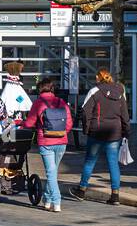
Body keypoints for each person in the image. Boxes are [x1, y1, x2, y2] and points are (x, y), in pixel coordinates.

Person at [70, 70, 129, 205]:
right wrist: (126, 132)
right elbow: (125, 114)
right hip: (114, 132)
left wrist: (86, 129)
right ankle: (115, 195)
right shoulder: (120, 91)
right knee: (113, 163)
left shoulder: (95, 91)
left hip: (97, 131)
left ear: (99, 78)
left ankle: (82, 189)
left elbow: (85, 111)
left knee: (90, 161)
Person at [22, 77, 72, 212]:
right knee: (53, 172)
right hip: (61, 141)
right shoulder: (62, 102)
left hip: (46, 142)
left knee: (50, 173)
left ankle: (56, 201)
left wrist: (21, 123)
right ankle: (47, 200)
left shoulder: (38, 103)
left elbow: (30, 123)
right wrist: (60, 132)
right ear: (52, 88)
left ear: (40, 89)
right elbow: (69, 124)